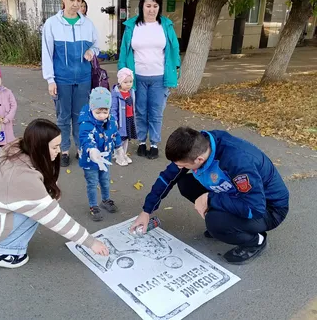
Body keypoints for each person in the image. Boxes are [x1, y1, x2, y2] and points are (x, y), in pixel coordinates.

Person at [0, 119, 109, 269]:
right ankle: (4, 253)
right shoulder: (23, 178)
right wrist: (91, 242)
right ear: (40, 147)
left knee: (43, 201)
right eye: (55, 147)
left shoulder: (18, 146)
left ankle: (5, 243)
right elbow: (55, 217)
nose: (59, 150)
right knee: (40, 209)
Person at [130, 127, 289, 265]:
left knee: (215, 222)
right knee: (185, 183)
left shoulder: (238, 161)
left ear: (199, 159)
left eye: (183, 165)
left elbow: (255, 208)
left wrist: (209, 198)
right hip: (236, 195)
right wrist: (146, 211)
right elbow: (167, 178)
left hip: (268, 209)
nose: (178, 167)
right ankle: (226, 225)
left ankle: (256, 241)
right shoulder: (198, 145)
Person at [118, 0, 181, 160]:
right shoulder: (132, 26)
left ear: (159, 7)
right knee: (139, 111)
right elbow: (124, 52)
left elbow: (174, 49)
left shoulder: (165, 25)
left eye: (155, 5)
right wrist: (122, 73)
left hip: (159, 77)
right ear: (142, 6)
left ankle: (153, 143)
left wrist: (176, 69)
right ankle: (141, 142)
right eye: (148, 5)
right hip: (137, 78)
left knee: (156, 111)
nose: (151, 9)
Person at [42, 0, 99, 167]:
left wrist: (92, 52)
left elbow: (96, 45)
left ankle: (81, 149)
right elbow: (47, 54)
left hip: (83, 79)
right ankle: (64, 150)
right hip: (62, 79)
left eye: (79, 0)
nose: (75, 4)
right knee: (63, 117)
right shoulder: (52, 24)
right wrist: (50, 80)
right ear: (63, 0)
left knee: (81, 116)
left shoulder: (87, 24)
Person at [78, 87, 125, 221]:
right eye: (98, 112)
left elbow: (115, 133)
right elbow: (85, 138)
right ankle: (93, 205)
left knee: (105, 180)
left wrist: (118, 147)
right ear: (92, 108)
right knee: (92, 183)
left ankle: (105, 200)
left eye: (105, 112)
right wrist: (92, 150)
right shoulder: (86, 123)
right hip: (90, 160)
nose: (102, 115)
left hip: (105, 158)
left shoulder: (110, 121)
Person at [111, 67, 137, 166]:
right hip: (120, 121)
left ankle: (124, 153)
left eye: (130, 81)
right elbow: (113, 108)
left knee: (126, 138)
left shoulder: (131, 92)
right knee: (120, 138)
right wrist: (115, 120)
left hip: (129, 119)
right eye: (126, 82)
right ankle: (118, 155)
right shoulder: (116, 93)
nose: (129, 84)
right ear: (120, 82)